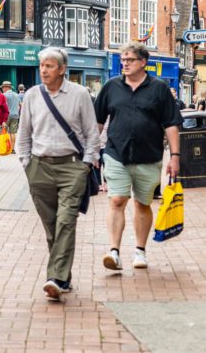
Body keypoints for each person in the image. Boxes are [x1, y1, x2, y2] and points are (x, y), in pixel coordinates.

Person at [18, 47, 100, 302]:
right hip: (39, 167)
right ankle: (64, 274)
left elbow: (91, 133)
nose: (44, 70)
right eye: (42, 66)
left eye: (50, 66)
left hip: (72, 167)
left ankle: (55, 278)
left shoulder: (79, 94)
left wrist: (86, 164)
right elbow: (23, 134)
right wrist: (27, 164)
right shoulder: (32, 95)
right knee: (52, 226)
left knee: (66, 220)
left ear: (62, 69)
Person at [94, 42, 181, 273]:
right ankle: (114, 251)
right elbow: (98, 122)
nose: (125, 64)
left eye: (130, 60)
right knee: (117, 200)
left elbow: (171, 123)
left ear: (143, 62)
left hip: (149, 156)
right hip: (116, 153)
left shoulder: (159, 89)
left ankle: (140, 250)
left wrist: (175, 156)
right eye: (123, 60)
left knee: (143, 203)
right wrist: (92, 151)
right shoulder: (111, 87)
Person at [2, 81, 22, 151]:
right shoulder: (16, 95)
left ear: (6, 87)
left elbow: (1, 106)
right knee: (12, 133)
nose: (2, 89)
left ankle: (5, 147)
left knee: (4, 131)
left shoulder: (3, 95)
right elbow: (21, 105)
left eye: (3, 87)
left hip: (6, 116)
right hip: (15, 116)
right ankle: (12, 149)